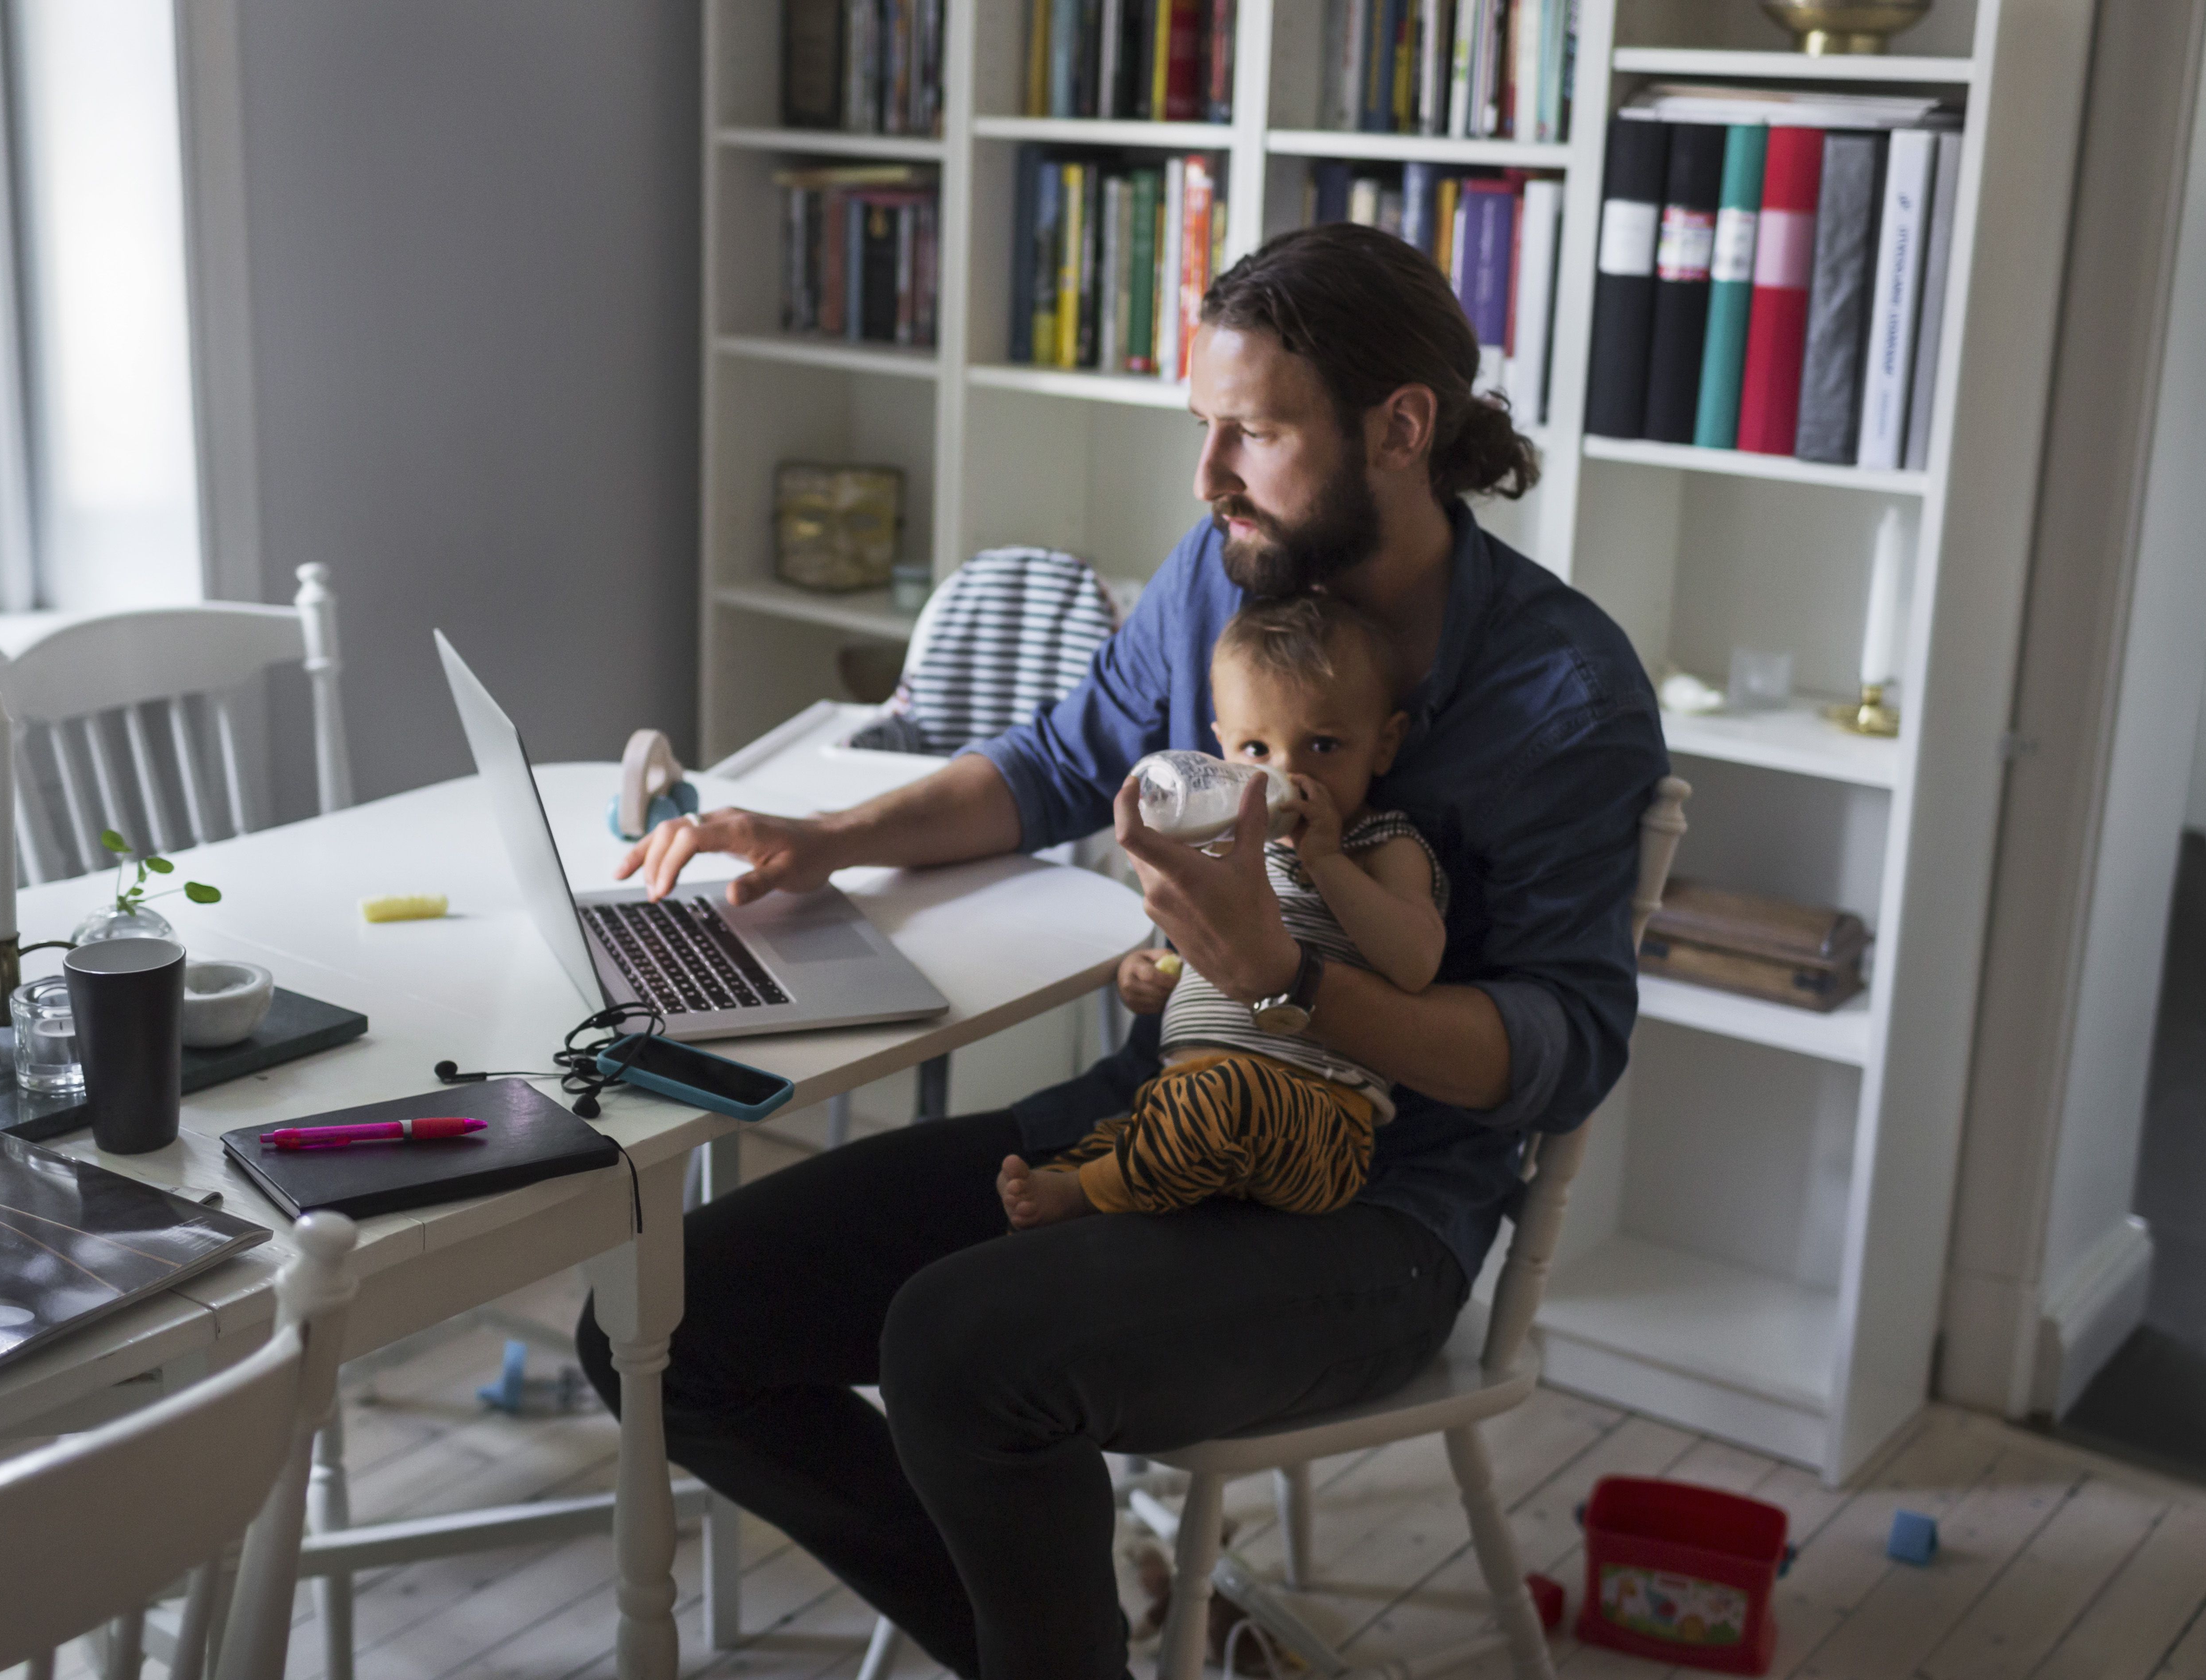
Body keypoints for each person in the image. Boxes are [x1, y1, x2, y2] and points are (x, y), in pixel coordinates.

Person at [577, 221, 1669, 1679]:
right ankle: (1070, 1646)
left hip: (1375, 1218)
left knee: (961, 1352)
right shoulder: (1219, 579)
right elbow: (1051, 763)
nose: (1208, 477)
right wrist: (821, 839)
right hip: (1139, 1130)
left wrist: (1294, 977)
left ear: (1401, 429)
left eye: (1252, 433)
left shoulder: (1564, 697)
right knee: (658, 1332)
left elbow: (1556, 1055)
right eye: (1203, 428)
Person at [998, 593, 1448, 1230]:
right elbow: (1199, 953)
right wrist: (1150, 969)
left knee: (1225, 1101)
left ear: (1384, 743)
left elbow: (1416, 962)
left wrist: (1326, 861)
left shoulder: (1380, 846)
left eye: (1324, 745)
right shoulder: (1217, 845)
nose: (1283, 777)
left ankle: (1091, 1190)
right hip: (1183, 1091)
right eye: (1257, 751)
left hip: (1317, 1119)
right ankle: (1108, 1176)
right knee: (1148, 1123)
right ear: (1219, 751)